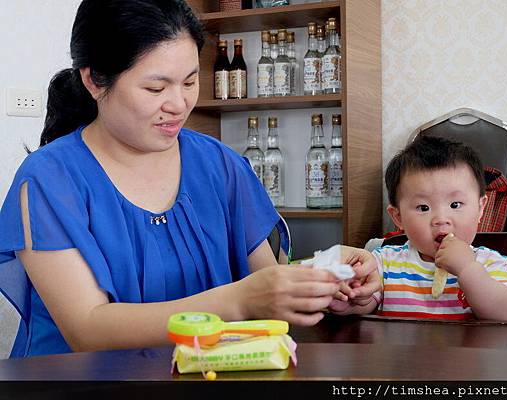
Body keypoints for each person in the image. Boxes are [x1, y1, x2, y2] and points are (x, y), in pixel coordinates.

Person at [0, 0, 377, 357]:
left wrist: (329, 282)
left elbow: (268, 280)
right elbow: (87, 327)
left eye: (190, 81)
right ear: (95, 81)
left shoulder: (220, 165)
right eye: (155, 88)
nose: (178, 104)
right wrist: (240, 300)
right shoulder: (49, 181)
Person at [332, 136, 507, 321]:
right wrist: (349, 296)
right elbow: (362, 304)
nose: (441, 219)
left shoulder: (489, 262)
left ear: (480, 208)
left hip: (465, 355)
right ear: (398, 217)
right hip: (401, 355)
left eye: (456, 204)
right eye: (423, 208)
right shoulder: (385, 262)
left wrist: (468, 270)